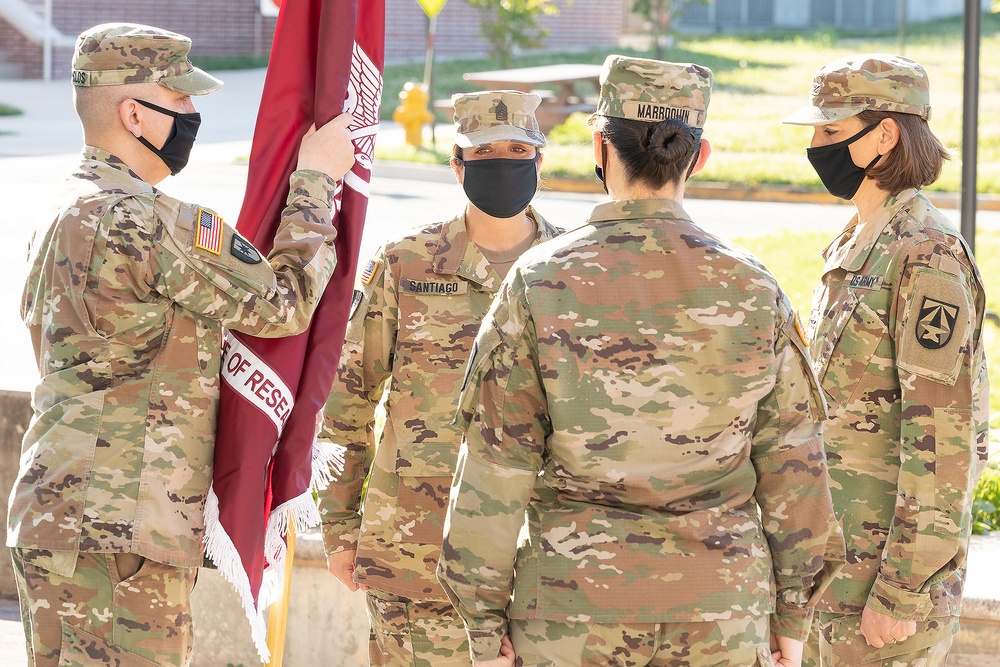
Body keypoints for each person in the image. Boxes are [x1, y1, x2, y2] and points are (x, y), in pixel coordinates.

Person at [436, 54, 845, 667]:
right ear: (698, 157)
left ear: (600, 147)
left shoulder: (540, 280)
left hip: (572, 614)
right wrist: (791, 616)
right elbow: (794, 461)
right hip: (720, 611)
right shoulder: (752, 287)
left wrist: (481, 623)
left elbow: (497, 466)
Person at [7, 22, 355, 667]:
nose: (195, 113)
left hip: (58, 513)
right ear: (135, 113)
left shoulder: (62, 209)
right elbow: (283, 305)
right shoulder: (148, 220)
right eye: (184, 99)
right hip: (124, 530)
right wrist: (316, 183)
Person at [317, 91, 561, 666]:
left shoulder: (571, 269)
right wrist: (338, 525)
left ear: (540, 162)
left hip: (543, 557)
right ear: (457, 164)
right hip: (414, 550)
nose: (503, 162)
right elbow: (347, 399)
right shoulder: (407, 262)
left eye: (518, 150)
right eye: (485, 152)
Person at [783, 54, 989, 667]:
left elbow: (943, 445)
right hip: (836, 577)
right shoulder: (858, 241)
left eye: (829, 130)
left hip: (885, 592)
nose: (816, 147)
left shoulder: (926, 257)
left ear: (885, 134)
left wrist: (900, 592)